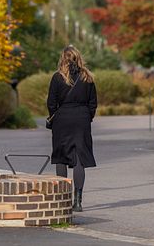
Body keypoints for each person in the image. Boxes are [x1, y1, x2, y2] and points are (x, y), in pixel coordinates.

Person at [46, 46, 97, 212]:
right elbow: (93, 103)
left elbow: (51, 102)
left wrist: (55, 116)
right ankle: (78, 201)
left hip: (62, 119)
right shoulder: (87, 77)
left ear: (63, 58)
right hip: (82, 119)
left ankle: (63, 200)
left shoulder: (57, 77)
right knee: (79, 159)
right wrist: (86, 117)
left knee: (61, 157)